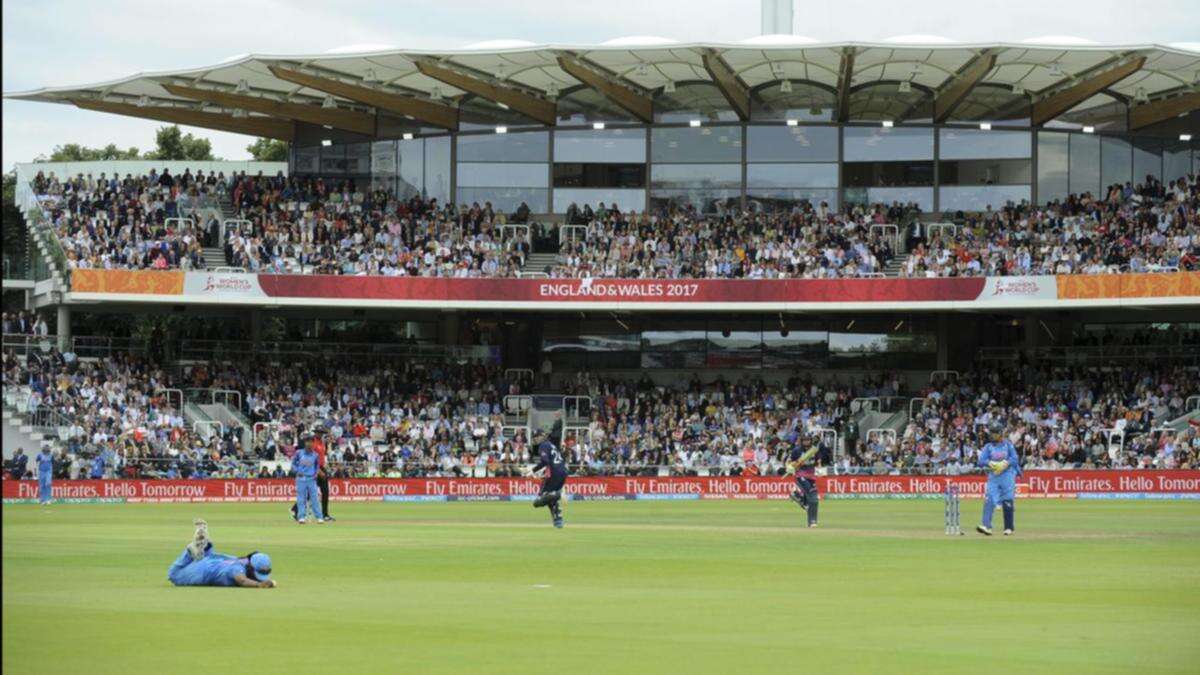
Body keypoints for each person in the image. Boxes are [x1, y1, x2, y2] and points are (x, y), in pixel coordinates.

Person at [167, 519, 276, 588]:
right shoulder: (237, 568)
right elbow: (242, 580)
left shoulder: (242, 560)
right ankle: (190, 551)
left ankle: (205, 546)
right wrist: (259, 584)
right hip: (200, 572)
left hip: (209, 560)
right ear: (251, 566)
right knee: (173, 574)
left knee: (207, 556)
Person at [977, 425, 1022, 536]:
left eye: (994, 433)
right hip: (994, 476)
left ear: (1000, 434)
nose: (992, 435)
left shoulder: (1008, 445)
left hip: (1007, 475)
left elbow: (1015, 459)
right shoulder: (988, 446)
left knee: (1007, 500)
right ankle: (987, 526)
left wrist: (1005, 463)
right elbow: (981, 461)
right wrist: (991, 463)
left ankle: (1008, 527)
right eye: (991, 433)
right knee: (989, 499)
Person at [525, 425, 568, 528]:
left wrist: (533, 471)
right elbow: (556, 460)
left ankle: (558, 494)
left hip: (555, 473)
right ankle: (558, 519)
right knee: (549, 497)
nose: (535, 439)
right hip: (562, 472)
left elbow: (545, 461)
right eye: (534, 437)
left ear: (542, 436)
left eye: (536, 437)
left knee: (538, 501)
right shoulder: (551, 445)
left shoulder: (543, 446)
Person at [291, 431, 333, 522]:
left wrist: (320, 470)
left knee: (318, 495)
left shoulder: (318, 448)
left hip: (315, 474)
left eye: (322, 433)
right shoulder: (303, 450)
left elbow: (318, 462)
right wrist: (297, 471)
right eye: (307, 442)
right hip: (304, 475)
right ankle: (300, 515)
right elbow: (295, 463)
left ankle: (321, 516)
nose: (309, 443)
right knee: (304, 496)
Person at [787, 438, 821, 528]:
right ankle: (799, 498)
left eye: (808, 440)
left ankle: (812, 521)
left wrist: (820, 467)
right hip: (800, 474)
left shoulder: (814, 450)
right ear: (802, 441)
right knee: (811, 494)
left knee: (814, 499)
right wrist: (790, 466)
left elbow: (818, 461)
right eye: (805, 440)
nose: (806, 442)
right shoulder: (797, 450)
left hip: (811, 475)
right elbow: (788, 461)